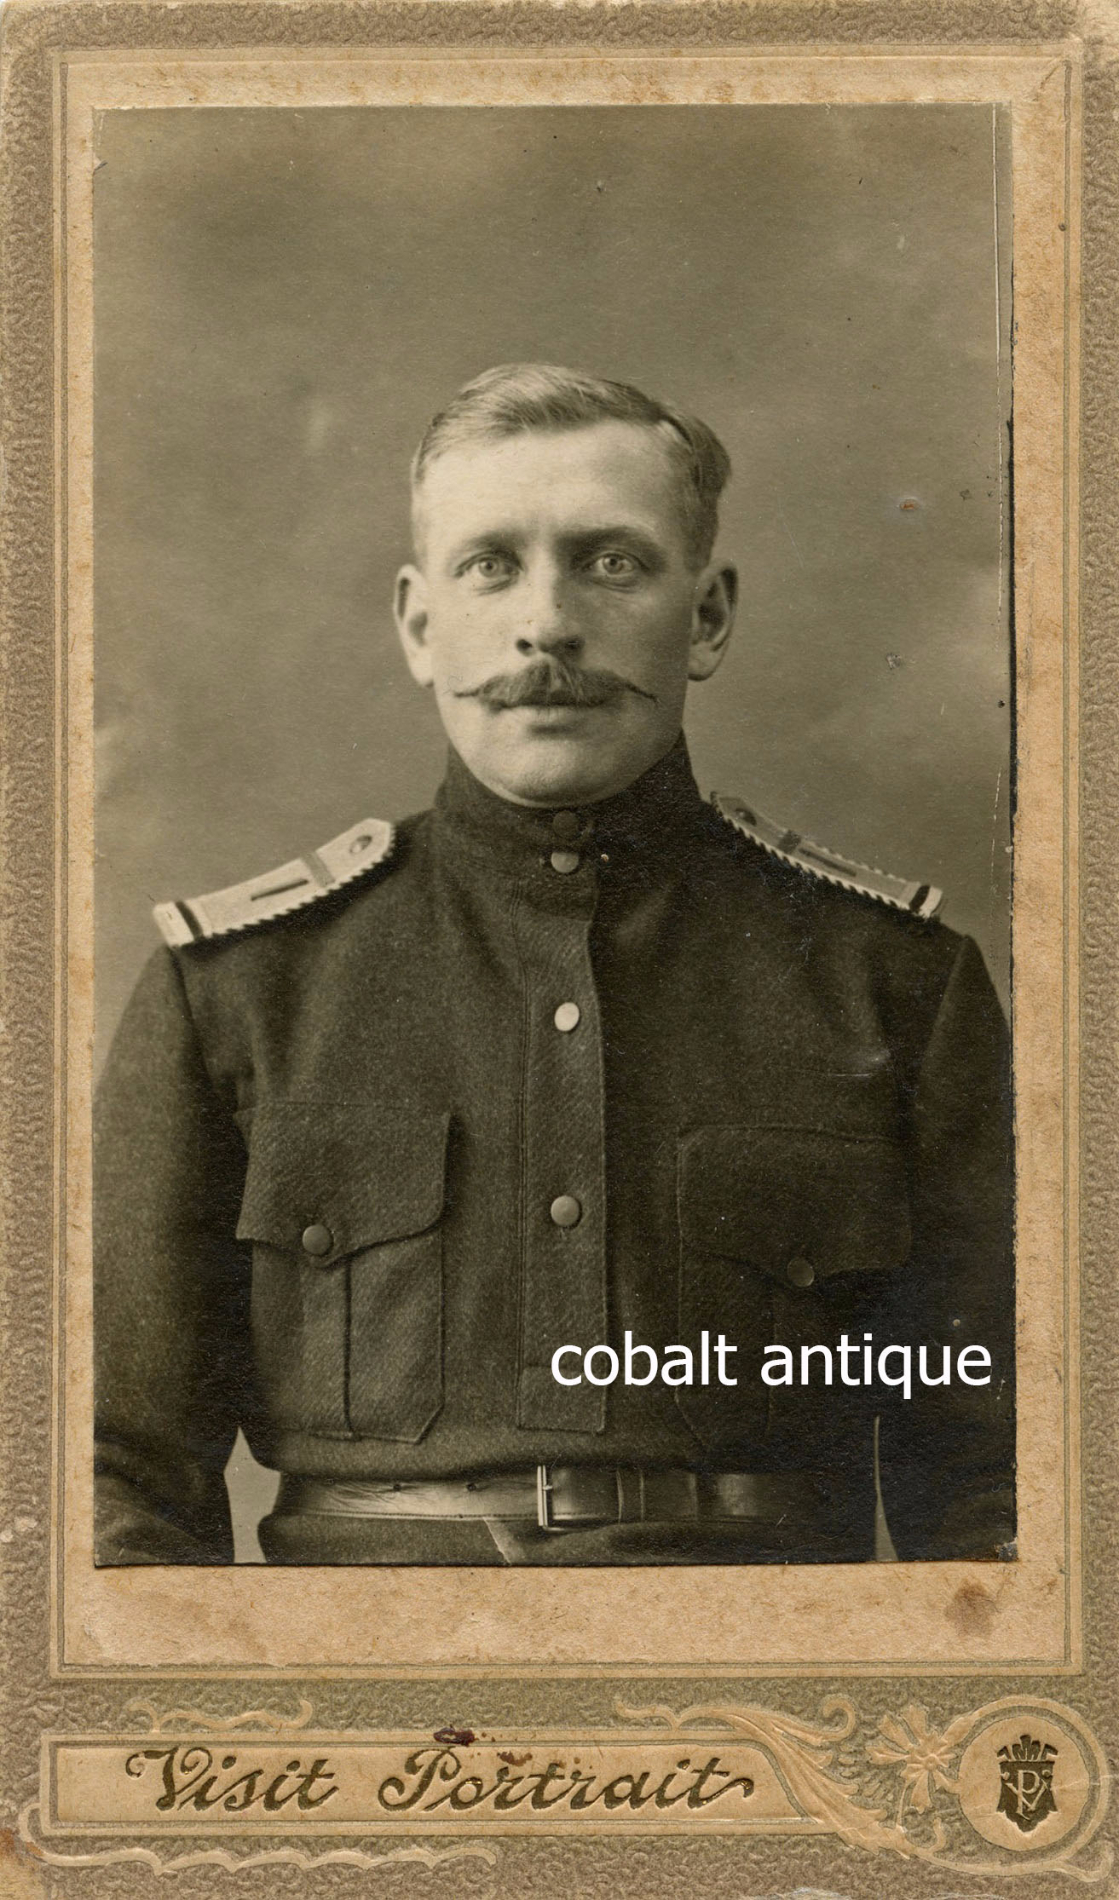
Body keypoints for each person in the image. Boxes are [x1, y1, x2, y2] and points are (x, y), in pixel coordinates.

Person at [94, 363, 1015, 1567]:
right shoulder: (238, 990)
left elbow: (1000, 1487)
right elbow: (114, 1482)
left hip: (759, 1658)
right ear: (420, 625)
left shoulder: (895, 984)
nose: (548, 624)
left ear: (708, 616)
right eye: (491, 565)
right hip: (364, 1671)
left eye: (611, 562)